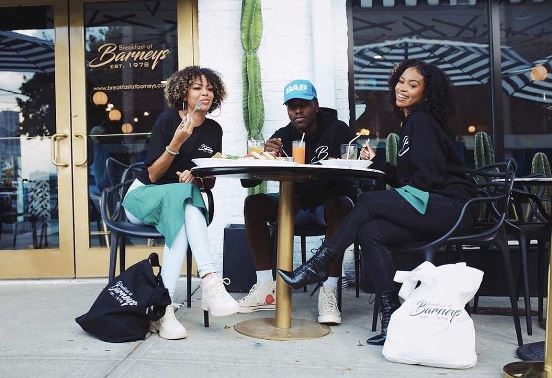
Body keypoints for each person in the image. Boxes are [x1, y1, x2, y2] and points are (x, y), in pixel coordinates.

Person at [277, 60, 477, 345]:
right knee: (371, 232)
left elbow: (428, 178)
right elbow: (407, 177)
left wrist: (394, 200)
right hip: (428, 204)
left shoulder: (423, 121)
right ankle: (391, 319)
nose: (403, 88)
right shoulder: (410, 124)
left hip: (451, 206)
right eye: (401, 81)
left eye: (413, 84)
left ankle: (319, 264)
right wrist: (376, 162)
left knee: (369, 202)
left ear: (426, 92)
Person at [122, 66, 239, 340]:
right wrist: (176, 142)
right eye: (197, 87)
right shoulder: (166, 120)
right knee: (179, 195)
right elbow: (152, 175)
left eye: (209, 88)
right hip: (141, 199)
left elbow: (207, 183)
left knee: (183, 209)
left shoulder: (213, 129)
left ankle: (163, 309)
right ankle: (210, 281)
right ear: (183, 93)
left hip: (177, 204)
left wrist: (200, 176)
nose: (205, 93)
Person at [238, 79, 356, 325]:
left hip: (328, 206)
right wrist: (264, 154)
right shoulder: (283, 136)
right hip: (298, 206)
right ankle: (265, 287)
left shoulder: (338, 130)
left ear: (316, 105)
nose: (297, 111)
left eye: (303, 105)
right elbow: (248, 182)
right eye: (292, 106)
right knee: (255, 204)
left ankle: (329, 291)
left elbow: (353, 172)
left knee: (341, 206)